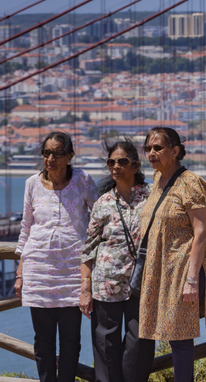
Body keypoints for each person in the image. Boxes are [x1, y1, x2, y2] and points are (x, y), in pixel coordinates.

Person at [137, 127, 206, 382]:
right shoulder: (157, 179)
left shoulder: (190, 182)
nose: (152, 153)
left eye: (158, 148)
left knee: (181, 338)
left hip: (184, 271)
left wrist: (192, 279)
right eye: (149, 148)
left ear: (175, 151)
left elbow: (200, 231)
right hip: (162, 270)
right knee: (172, 336)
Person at [14, 132, 97, 382]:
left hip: (73, 273)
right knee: (43, 341)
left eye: (57, 153)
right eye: (46, 153)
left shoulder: (83, 180)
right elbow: (26, 229)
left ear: (70, 156)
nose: (50, 158)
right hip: (38, 274)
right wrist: (20, 273)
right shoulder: (31, 183)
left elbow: (99, 220)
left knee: (71, 340)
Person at [80, 138, 154, 382]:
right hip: (106, 283)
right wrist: (85, 289)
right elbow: (89, 248)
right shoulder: (102, 203)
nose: (116, 166)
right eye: (111, 162)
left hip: (142, 283)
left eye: (122, 161)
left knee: (139, 344)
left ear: (135, 165)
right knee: (105, 345)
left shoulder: (152, 197)